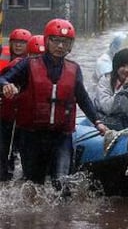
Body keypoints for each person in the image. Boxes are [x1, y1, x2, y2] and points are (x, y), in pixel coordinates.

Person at [0, 18, 107, 188]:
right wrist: (7, 85)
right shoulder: (28, 64)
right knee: (35, 184)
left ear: (70, 45)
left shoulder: (74, 69)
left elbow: (83, 98)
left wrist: (98, 122)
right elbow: (3, 78)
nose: (60, 46)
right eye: (55, 41)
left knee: (62, 183)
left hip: (61, 136)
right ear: (46, 41)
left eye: (65, 42)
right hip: (31, 135)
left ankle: (64, 214)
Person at [0, 29, 31, 181]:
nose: (18, 46)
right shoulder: (4, 57)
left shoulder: (32, 63)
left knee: (18, 149)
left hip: (22, 117)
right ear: (10, 43)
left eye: (22, 43)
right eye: (15, 42)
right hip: (5, 111)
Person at [94, 48, 128, 130]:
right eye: (123, 66)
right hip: (107, 124)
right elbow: (107, 107)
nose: (126, 70)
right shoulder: (106, 80)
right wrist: (123, 88)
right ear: (116, 66)